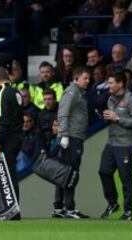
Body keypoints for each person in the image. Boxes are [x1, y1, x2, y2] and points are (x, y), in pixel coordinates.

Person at [99, 72, 132, 221]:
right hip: (111, 142)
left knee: (125, 176)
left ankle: (128, 211)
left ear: (120, 84)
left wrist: (117, 118)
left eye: (111, 83)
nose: (108, 85)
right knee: (104, 171)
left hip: (126, 144)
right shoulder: (110, 99)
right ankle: (113, 203)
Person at [54, 66, 90, 219]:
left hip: (73, 137)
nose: (88, 81)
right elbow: (63, 113)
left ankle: (58, 207)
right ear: (76, 78)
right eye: (85, 78)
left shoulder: (77, 92)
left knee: (64, 173)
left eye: (88, 78)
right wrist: (64, 135)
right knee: (71, 173)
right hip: (72, 138)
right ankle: (69, 208)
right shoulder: (72, 92)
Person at [0, 66, 23, 220]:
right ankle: (13, 211)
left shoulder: (3, 94)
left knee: (6, 176)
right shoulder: (16, 92)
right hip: (17, 137)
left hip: (8, 139)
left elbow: (3, 121)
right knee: (11, 175)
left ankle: (11, 212)